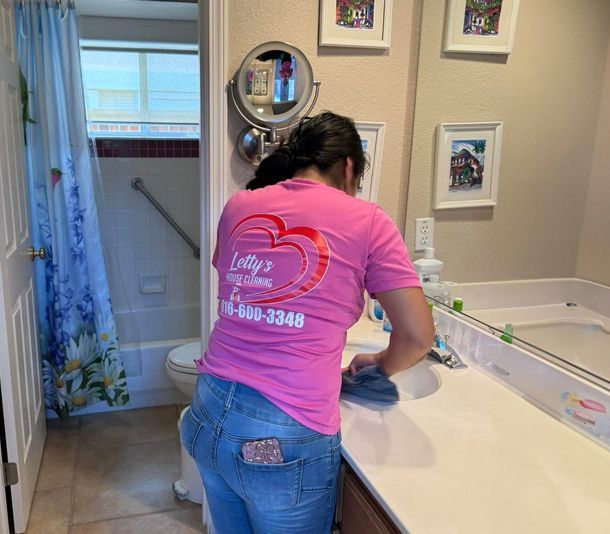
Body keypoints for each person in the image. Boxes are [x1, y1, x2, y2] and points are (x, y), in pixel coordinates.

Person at [181, 111, 434, 533]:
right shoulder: (368, 221)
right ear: (349, 167)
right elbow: (417, 336)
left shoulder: (239, 206)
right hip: (275, 445)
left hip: (207, 416)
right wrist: (382, 364)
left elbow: (234, 285)